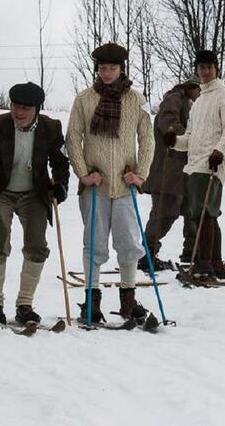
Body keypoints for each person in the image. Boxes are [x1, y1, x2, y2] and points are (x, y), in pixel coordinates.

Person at [0, 83, 70, 325]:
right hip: (1, 191)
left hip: (34, 193)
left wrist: (60, 186)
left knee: (37, 245)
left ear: (37, 109)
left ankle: (24, 304)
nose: (19, 112)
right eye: (15, 106)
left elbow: (61, 163)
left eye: (25, 108)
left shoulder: (51, 128)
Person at [65, 42, 155, 324]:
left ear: (121, 68)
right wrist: (83, 174)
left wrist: (140, 174)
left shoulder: (135, 100)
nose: (106, 73)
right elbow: (73, 138)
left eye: (112, 68)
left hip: (125, 186)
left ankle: (129, 300)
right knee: (95, 244)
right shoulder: (84, 99)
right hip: (96, 186)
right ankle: (91, 302)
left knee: (129, 243)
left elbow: (148, 139)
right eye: (102, 68)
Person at [169, 50, 225, 282]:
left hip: (212, 163)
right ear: (196, 70)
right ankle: (215, 264)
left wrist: (219, 151)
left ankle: (203, 265)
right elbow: (189, 137)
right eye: (201, 67)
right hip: (195, 163)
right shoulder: (198, 101)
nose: (205, 71)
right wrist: (175, 142)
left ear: (216, 68)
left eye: (209, 67)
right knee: (206, 214)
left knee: (202, 214)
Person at [140, 79, 199, 272]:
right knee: (165, 213)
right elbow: (168, 123)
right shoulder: (175, 99)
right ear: (191, 87)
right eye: (198, 89)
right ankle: (146, 255)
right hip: (168, 169)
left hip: (184, 171)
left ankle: (192, 252)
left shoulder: (189, 103)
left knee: (192, 212)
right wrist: (195, 138)